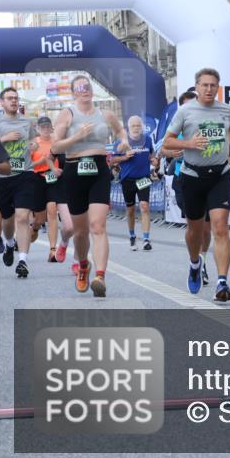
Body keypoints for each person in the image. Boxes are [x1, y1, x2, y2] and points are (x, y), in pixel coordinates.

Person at [163, 68, 230, 301]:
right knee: (195, 230)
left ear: (218, 88)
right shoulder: (185, 111)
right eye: (204, 85)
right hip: (192, 177)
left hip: (219, 175)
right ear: (196, 87)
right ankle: (195, 263)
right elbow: (167, 142)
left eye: (213, 85)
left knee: (220, 228)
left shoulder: (225, 110)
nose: (208, 89)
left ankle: (222, 283)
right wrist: (189, 143)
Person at [52, 76, 130, 296]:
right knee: (80, 232)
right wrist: (77, 135)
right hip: (74, 170)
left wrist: (123, 140)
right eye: (80, 88)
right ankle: (84, 265)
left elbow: (120, 131)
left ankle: (100, 276)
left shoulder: (105, 114)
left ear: (92, 91)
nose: (84, 90)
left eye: (87, 87)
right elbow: (56, 145)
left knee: (98, 226)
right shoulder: (67, 114)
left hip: (98, 170)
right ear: (74, 92)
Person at [0, 88, 43, 278]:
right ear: (2, 102)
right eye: (10, 98)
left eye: (16, 98)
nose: (14, 101)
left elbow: (33, 140)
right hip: (2, 177)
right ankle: (8, 243)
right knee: (7, 220)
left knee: (23, 217)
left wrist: (34, 145)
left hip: (25, 173)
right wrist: (4, 138)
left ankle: (22, 260)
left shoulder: (26, 121)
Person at [29, 117, 72, 263]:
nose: (45, 129)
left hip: (54, 178)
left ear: (52, 128)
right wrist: (40, 161)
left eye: (48, 127)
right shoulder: (34, 143)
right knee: (39, 219)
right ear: (38, 129)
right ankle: (34, 228)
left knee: (52, 209)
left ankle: (53, 250)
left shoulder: (56, 141)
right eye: (43, 127)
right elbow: (28, 165)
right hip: (38, 179)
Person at [113, 115, 156, 252]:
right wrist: (125, 157)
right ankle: (132, 236)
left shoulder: (147, 140)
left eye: (138, 125)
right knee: (130, 210)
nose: (136, 128)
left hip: (143, 178)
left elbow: (151, 155)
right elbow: (112, 160)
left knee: (144, 206)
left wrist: (154, 160)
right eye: (133, 126)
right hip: (128, 179)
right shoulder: (122, 142)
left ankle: (146, 239)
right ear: (128, 127)